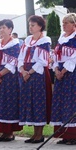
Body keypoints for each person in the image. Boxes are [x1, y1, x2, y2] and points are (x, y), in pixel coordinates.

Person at [18, 15, 52, 143]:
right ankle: (34, 133)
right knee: (29, 103)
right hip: (26, 73)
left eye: (33, 25)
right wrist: (22, 70)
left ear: (40, 26)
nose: (30, 27)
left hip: (38, 74)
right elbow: (20, 57)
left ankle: (40, 133)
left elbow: (42, 61)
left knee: (38, 102)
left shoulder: (45, 40)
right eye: (29, 25)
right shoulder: (27, 40)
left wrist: (29, 72)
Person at [0, 19, 22, 142]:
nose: (1, 30)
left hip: (9, 78)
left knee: (8, 103)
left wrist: (1, 74)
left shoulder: (15, 45)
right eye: (0, 27)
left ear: (10, 29)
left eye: (4, 27)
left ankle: (9, 132)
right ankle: (2, 132)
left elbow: (14, 62)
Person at [50, 13, 76, 145]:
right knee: (61, 102)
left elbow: (73, 58)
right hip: (60, 74)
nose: (63, 25)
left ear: (74, 24)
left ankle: (73, 135)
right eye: (63, 23)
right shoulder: (61, 38)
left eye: (66, 23)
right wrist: (56, 69)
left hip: (71, 75)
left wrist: (64, 71)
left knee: (71, 103)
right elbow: (55, 56)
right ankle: (64, 134)